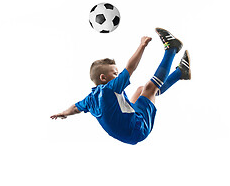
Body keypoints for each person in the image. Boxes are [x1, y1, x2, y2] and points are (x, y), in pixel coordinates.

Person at [50, 28, 191, 145]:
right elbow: (130, 67)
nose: (118, 76)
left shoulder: (91, 98)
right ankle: (171, 49)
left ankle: (181, 73)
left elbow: (75, 108)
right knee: (149, 88)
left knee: (141, 90)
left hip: (128, 127)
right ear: (103, 78)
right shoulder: (110, 88)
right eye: (115, 73)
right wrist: (142, 45)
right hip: (137, 128)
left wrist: (63, 114)